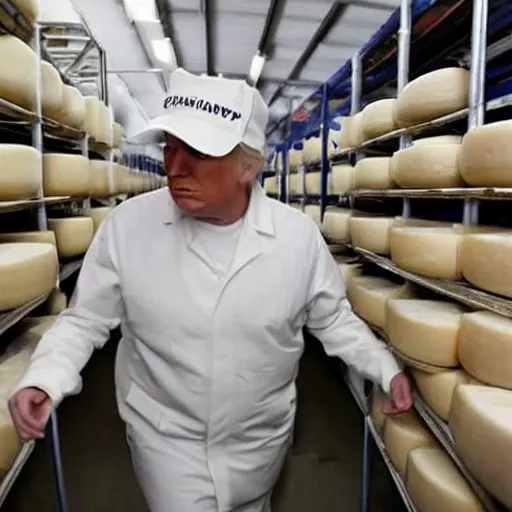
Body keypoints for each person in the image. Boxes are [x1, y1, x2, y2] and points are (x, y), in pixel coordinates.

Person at [9, 68, 412, 512]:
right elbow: (85, 320)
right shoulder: (128, 227)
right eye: (170, 147)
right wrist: (47, 377)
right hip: (166, 441)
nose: (175, 167)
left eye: (198, 151)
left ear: (249, 165)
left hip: (260, 439)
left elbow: (332, 318)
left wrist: (382, 367)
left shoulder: (297, 237)